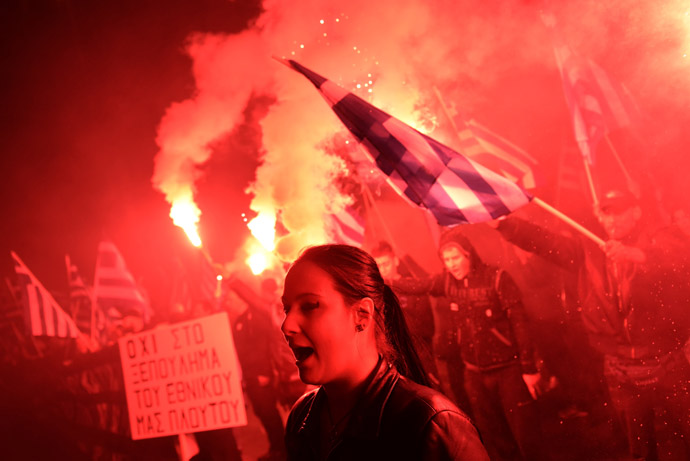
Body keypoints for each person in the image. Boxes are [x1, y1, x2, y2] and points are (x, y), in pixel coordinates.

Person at [495, 189, 690, 460]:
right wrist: (506, 225)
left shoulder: (659, 235)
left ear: (636, 212)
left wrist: (636, 256)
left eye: (618, 212)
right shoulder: (590, 248)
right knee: (640, 451)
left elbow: (675, 257)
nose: (611, 221)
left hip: (667, 363)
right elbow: (546, 241)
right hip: (620, 369)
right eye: (605, 214)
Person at [281, 244, 489, 461]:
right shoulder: (301, 417)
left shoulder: (432, 423)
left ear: (362, 314)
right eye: (286, 309)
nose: (287, 325)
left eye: (309, 305)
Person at [392, 230, 545, 461]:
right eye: (446, 260)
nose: (451, 265)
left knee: (526, 435)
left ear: (469, 255)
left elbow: (520, 323)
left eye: (455, 258)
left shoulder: (497, 278)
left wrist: (529, 368)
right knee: (494, 437)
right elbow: (419, 285)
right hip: (474, 374)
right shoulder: (447, 282)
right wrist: (383, 281)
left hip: (508, 371)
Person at [370, 241, 440, 386]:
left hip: (419, 353)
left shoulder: (413, 288)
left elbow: (427, 326)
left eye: (386, 264)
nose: (383, 270)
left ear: (395, 261)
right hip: (393, 356)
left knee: (430, 391)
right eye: (379, 266)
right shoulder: (375, 295)